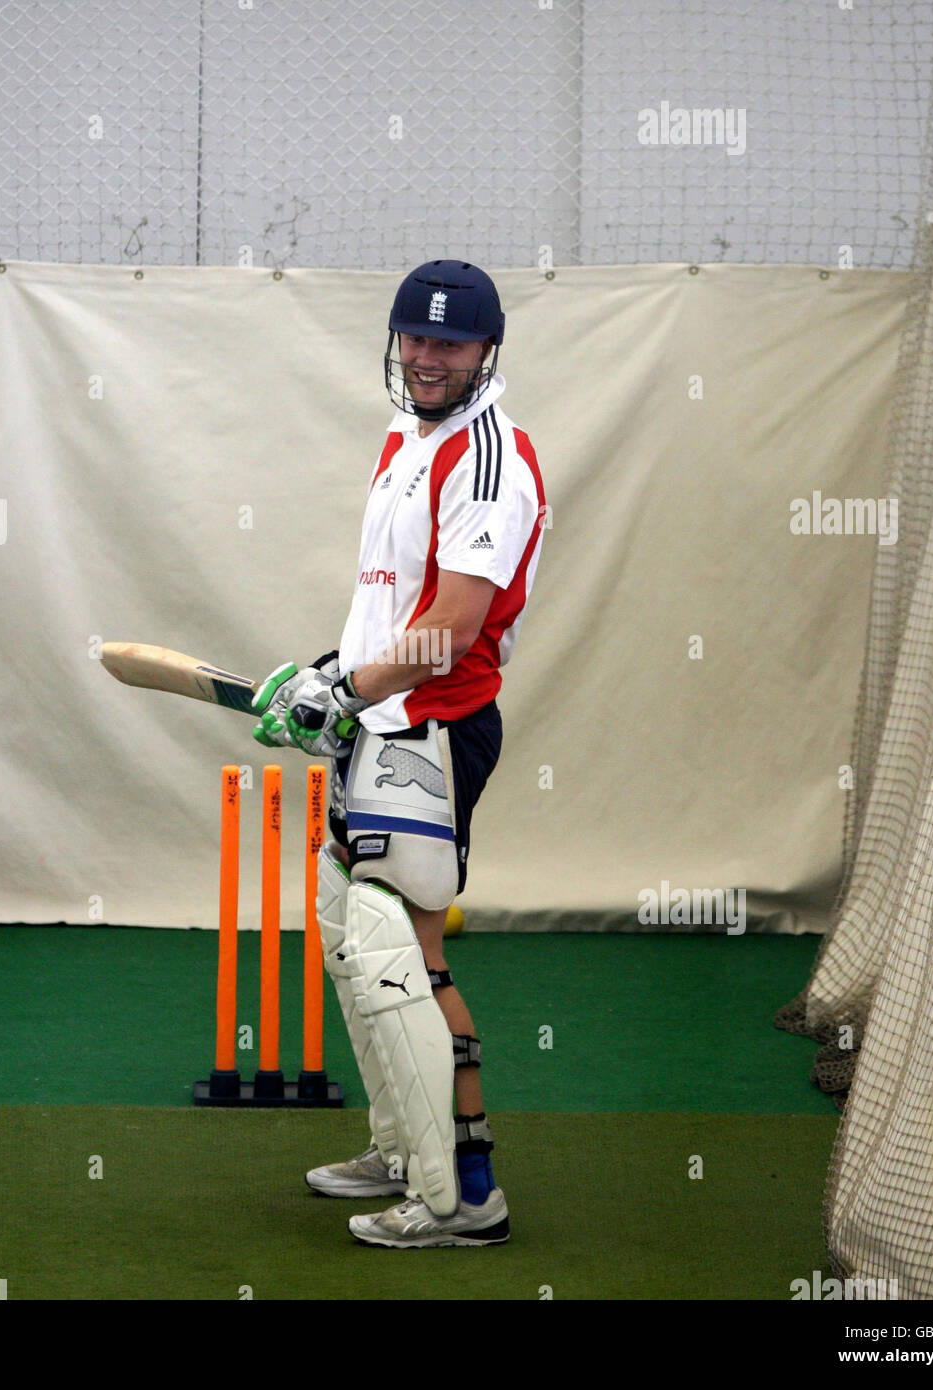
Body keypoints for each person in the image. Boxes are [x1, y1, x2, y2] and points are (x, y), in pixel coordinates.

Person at [250, 259, 545, 1248]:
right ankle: (404, 1144)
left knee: (404, 955)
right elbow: (394, 602)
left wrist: (339, 690)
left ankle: (462, 1194)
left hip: (435, 731)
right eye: (413, 339)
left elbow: (452, 630)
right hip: (380, 720)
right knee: (350, 934)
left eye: (448, 344)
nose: (425, 359)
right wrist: (335, 678)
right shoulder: (407, 432)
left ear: (484, 352)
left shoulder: (489, 462)